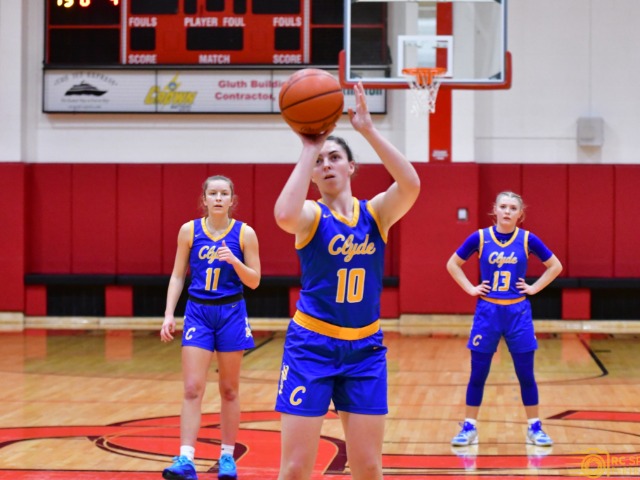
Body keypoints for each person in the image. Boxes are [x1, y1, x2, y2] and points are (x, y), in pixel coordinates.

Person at [273, 82, 421, 480]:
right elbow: (283, 216)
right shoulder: (311, 215)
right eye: (320, 161)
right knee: (295, 467)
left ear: (351, 167)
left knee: (369, 466)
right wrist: (309, 147)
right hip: (312, 346)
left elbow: (411, 185)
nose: (327, 165)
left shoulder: (376, 214)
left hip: (365, 350)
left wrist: (368, 131)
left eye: (335, 157)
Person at [160, 175, 261, 480]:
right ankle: (186, 458)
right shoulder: (189, 231)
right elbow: (178, 275)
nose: (218, 198)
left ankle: (227, 457)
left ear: (232, 200)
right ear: (204, 199)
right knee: (192, 387)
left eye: (224, 193)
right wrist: (168, 314)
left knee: (229, 389)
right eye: (213, 193)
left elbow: (254, 281)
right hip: (198, 313)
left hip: (231, 313)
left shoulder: (245, 234)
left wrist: (235, 262)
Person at [446, 191, 563, 448]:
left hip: (518, 313)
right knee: (478, 373)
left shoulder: (527, 239)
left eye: (512, 208)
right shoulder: (480, 237)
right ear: (495, 210)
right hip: (487, 312)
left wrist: (534, 288)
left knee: (525, 373)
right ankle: (469, 427)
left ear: (520, 214)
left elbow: (555, 266)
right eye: (503, 206)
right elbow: (452, 264)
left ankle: (534, 427)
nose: (507, 211)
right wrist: (470, 288)